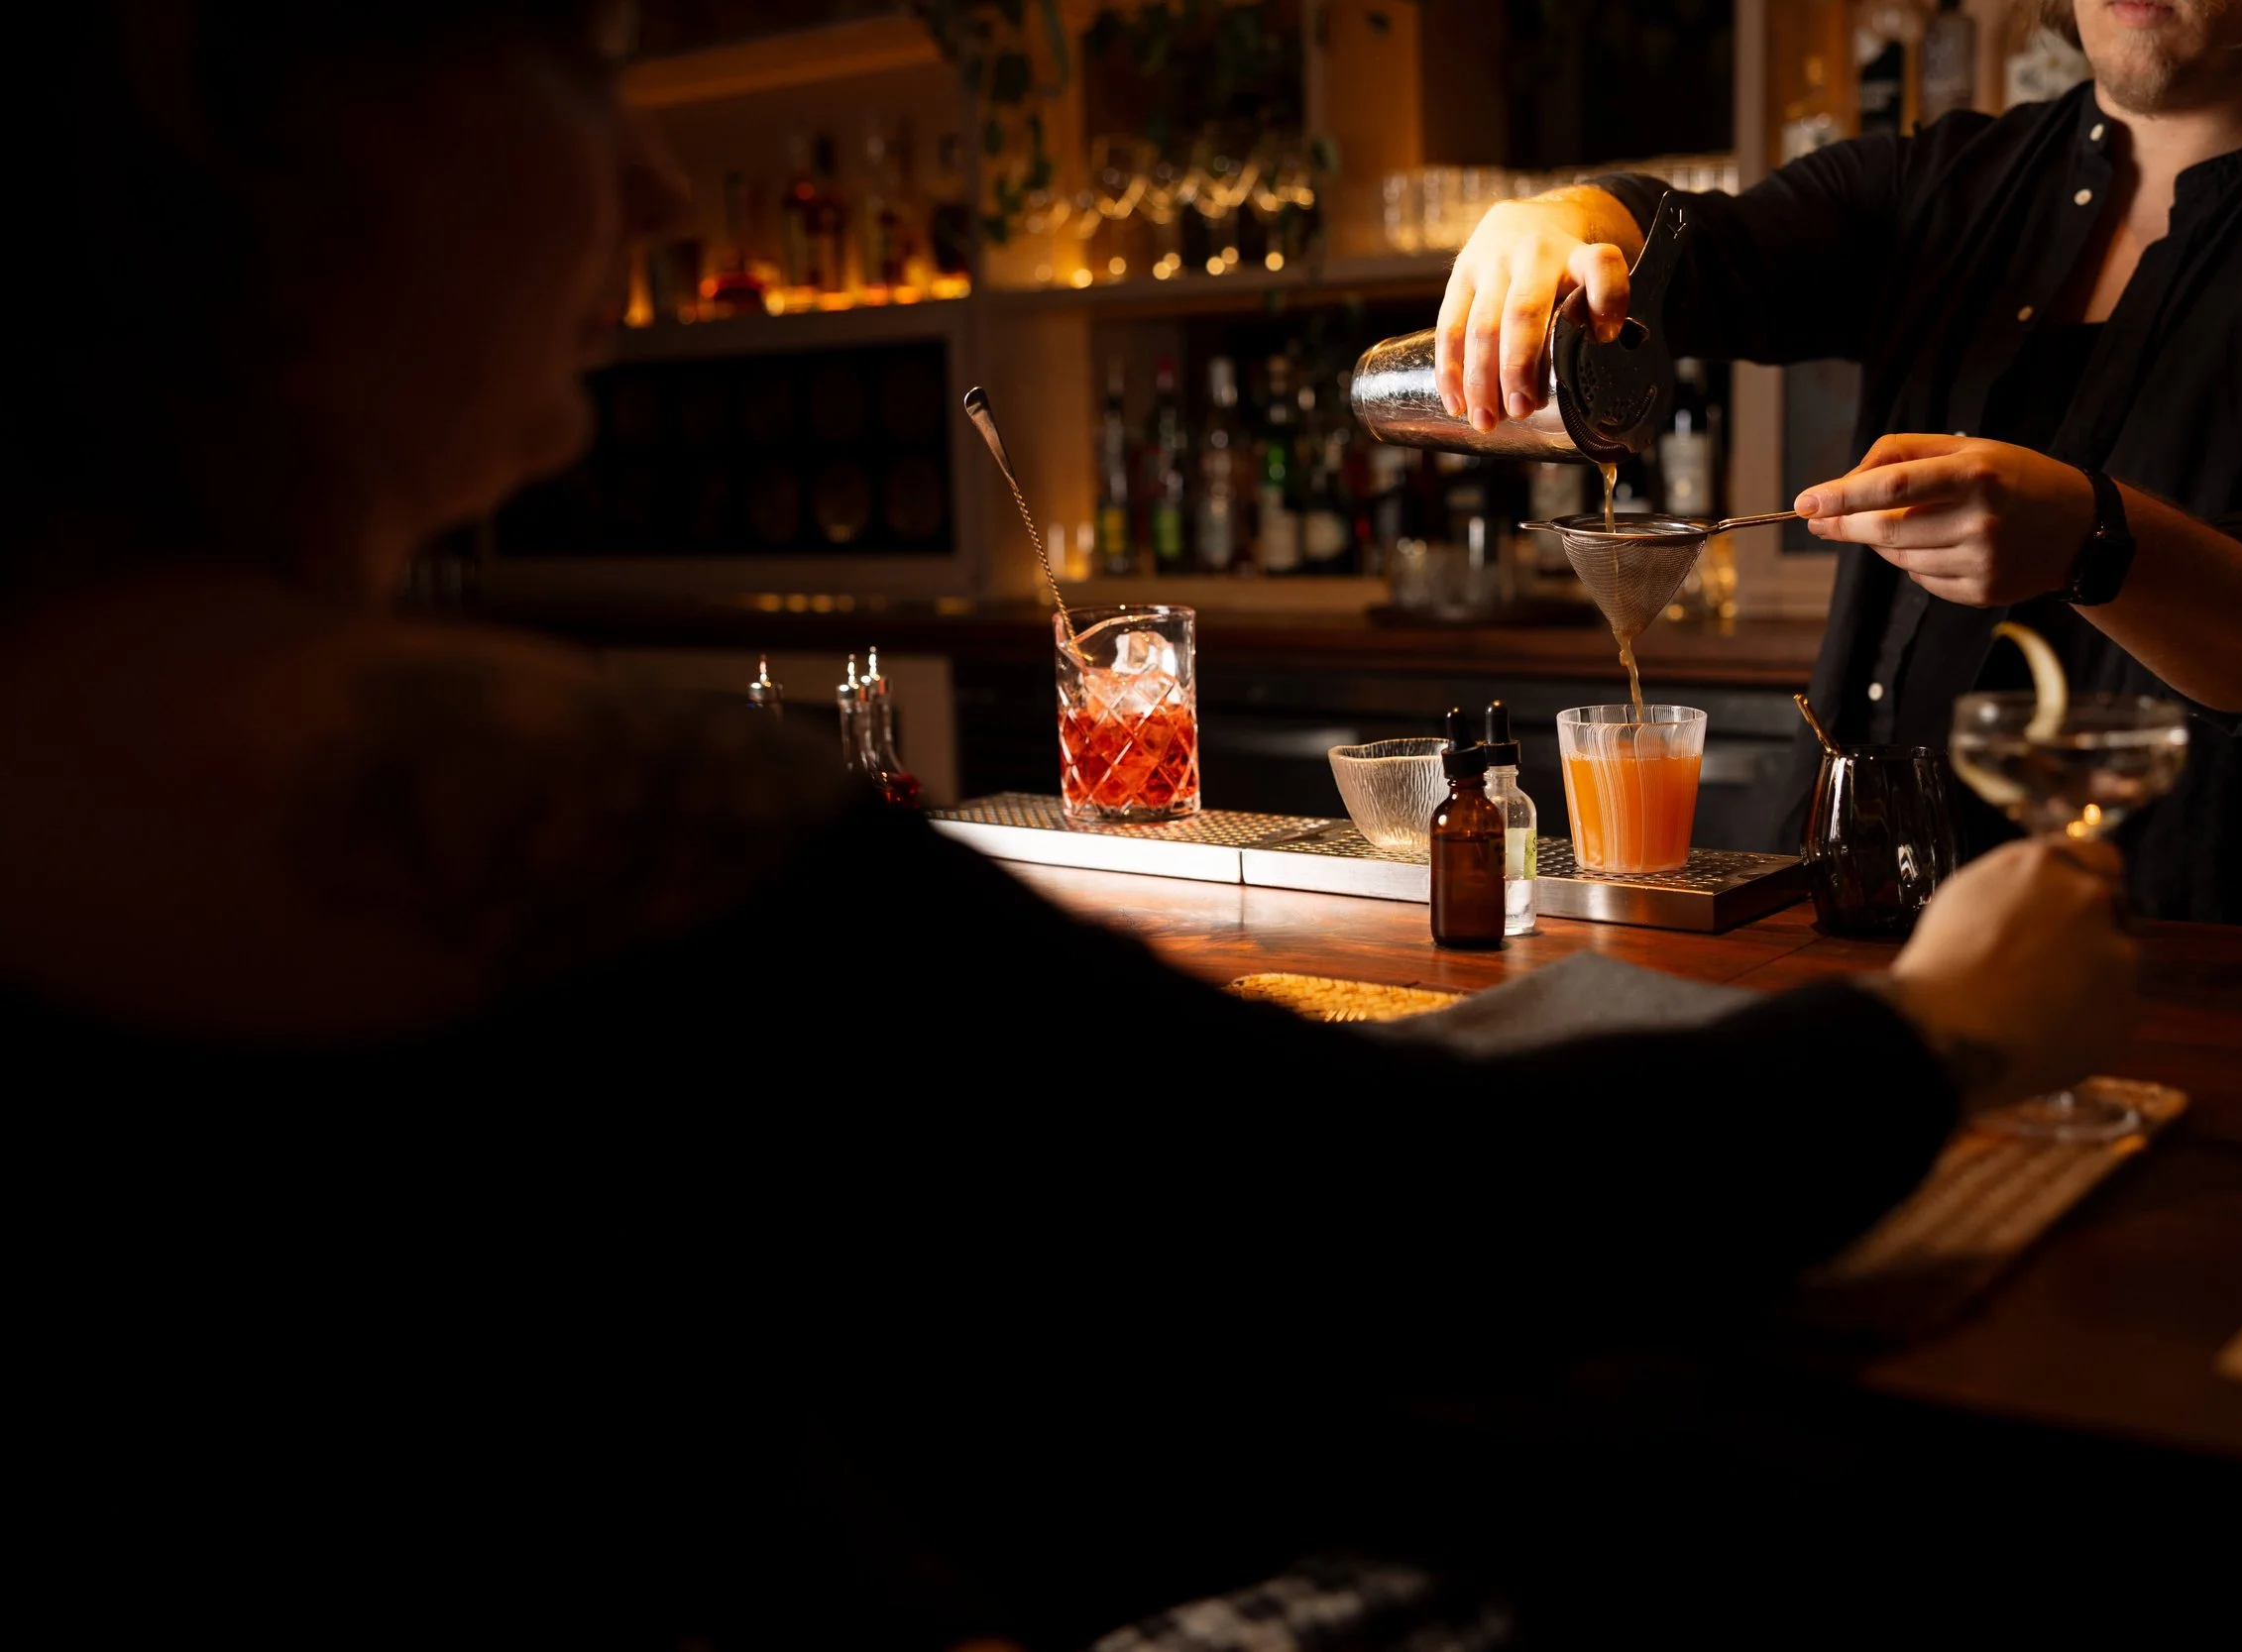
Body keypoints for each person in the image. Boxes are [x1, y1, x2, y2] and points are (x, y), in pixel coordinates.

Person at [6, 5, 2134, 1646]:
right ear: (230, 129)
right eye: (578, 69)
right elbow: (1382, 1221)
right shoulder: (553, 809)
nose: (657, 198)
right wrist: (1936, 1027)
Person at [1438, 0, 2242, 928]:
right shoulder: (1941, 180)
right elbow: (1704, 251)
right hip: (1839, 928)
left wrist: (2087, 538)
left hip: (2167, 959)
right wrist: (1566, 218)